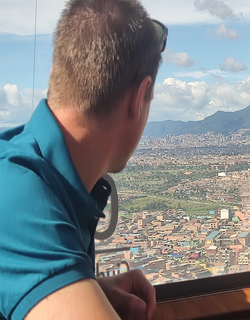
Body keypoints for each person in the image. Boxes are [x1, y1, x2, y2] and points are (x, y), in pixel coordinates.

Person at [0, 0, 168, 318]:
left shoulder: (32, 174)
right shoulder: (18, 200)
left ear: (55, 75)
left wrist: (86, 287)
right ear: (137, 99)